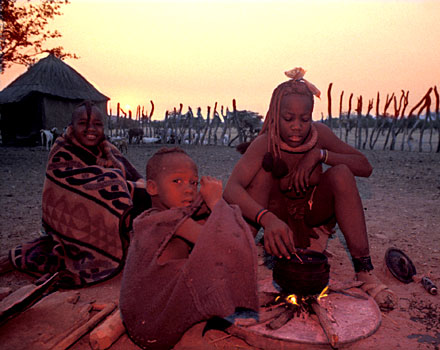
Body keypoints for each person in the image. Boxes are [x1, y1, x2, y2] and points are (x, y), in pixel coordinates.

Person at [223, 68, 397, 310]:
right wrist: (267, 219)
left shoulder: (319, 135)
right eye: (288, 118)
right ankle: (241, 264)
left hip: (312, 218)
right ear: (275, 115)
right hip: (277, 221)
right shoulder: (266, 142)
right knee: (261, 174)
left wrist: (320, 155)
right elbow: (231, 188)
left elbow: (365, 166)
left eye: (304, 119)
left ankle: (364, 270)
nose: (297, 126)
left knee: (342, 173)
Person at [120, 147, 258, 350]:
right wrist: (215, 201)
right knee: (215, 264)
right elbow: (222, 244)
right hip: (154, 327)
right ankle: (190, 334)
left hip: (141, 321)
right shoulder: (168, 220)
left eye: (194, 182)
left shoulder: (153, 217)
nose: (188, 189)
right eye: (177, 181)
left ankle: (196, 328)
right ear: (151, 187)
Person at [5, 101, 151, 288]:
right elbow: (66, 185)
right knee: (119, 186)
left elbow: (134, 176)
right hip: (70, 222)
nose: (91, 129)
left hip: (106, 214)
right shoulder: (62, 150)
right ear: (71, 127)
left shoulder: (107, 148)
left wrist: (133, 186)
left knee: (148, 194)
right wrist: (112, 178)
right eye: (83, 123)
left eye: (97, 124)